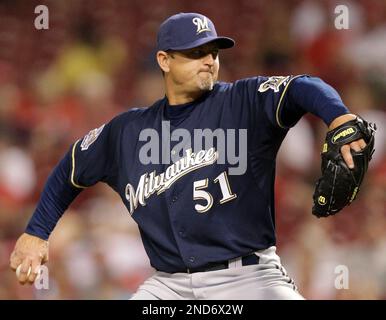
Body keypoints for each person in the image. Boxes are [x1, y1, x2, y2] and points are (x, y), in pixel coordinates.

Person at [10, 12, 370, 300]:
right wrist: (36, 233)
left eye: (213, 52)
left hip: (248, 277)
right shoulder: (128, 131)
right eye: (196, 53)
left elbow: (301, 86)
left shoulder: (241, 102)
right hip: (168, 286)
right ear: (164, 60)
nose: (209, 61)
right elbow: (71, 166)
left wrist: (337, 116)